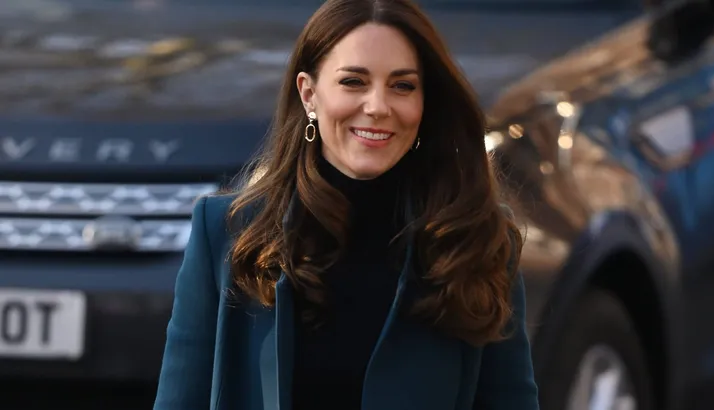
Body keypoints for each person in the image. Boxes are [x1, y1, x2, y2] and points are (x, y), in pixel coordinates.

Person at [153, 0, 539, 409]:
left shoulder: (474, 238)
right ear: (309, 94)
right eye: (353, 82)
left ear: (426, 104)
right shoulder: (229, 233)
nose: (377, 106)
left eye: (402, 85)